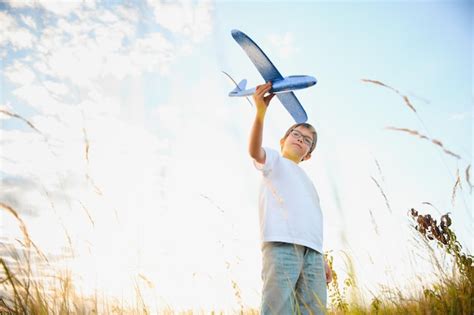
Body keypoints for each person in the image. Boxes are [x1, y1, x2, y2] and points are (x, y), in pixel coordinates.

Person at [249, 82, 332, 314]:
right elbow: (254, 151)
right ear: (282, 141)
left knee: (314, 309)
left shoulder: (309, 183)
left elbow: (311, 220)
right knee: (279, 310)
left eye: (307, 140)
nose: (300, 139)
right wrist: (260, 113)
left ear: (308, 155)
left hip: (313, 253)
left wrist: (321, 255)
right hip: (281, 245)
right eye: (296, 134)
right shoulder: (274, 162)